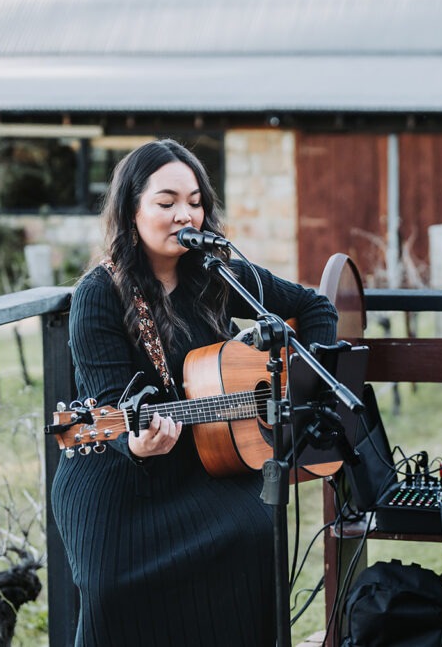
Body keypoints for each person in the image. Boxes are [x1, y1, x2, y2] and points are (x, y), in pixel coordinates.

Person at [50, 139, 337, 646]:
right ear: (132, 211)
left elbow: (315, 306)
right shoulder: (101, 293)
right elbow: (110, 405)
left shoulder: (216, 273)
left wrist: (300, 385)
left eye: (196, 202)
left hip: (209, 464)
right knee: (113, 590)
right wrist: (135, 442)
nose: (185, 214)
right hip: (121, 478)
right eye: (167, 203)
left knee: (255, 533)